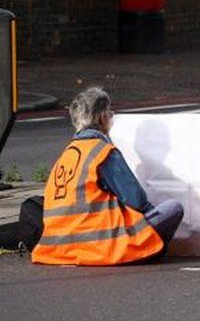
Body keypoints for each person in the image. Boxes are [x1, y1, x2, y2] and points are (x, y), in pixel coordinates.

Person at [32, 87, 184, 265]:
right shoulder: (103, 152)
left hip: (58, 250)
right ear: (103, 118)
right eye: (110, 114)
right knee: (174, 208)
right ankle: (145, 251)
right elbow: (136, 200)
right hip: (102, 247)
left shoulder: (64, 157)